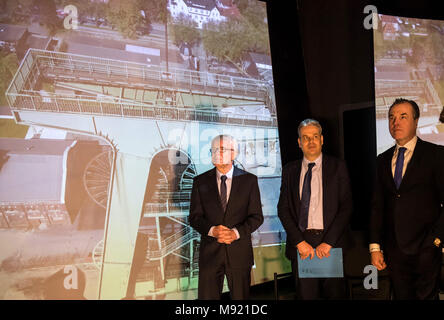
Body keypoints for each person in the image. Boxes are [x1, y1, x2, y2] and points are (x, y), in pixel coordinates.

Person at [369, 98, 444, 300]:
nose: (396, 122)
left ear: (416, 121)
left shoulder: (436, 155)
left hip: (426, 248)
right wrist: (375, 247)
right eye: (392, 117)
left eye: (403, 117)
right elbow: (377, 206)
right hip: (395, 251)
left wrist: (436, 240)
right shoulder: (381, 160)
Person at [278, 119, 353, 300]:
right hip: (302, 246)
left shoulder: (338, 167)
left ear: (322, 140)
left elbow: (346, 206)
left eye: (315, 137)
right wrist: (299, 242)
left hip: (331, 245)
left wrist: (328, 242)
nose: (311, 142)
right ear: (299, 142)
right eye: (306, 138)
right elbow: (283, 209)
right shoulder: (289, 170)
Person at [189, 134, 264, 300]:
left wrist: (235, 233)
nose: (217, 153)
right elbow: (194, 217)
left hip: (239, 255)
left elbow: (257, 217)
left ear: (234, 153)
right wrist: (212, 231)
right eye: (214, 150)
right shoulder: (200, 182)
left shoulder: (249, 180)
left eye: (221, 150)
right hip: (210, 256)